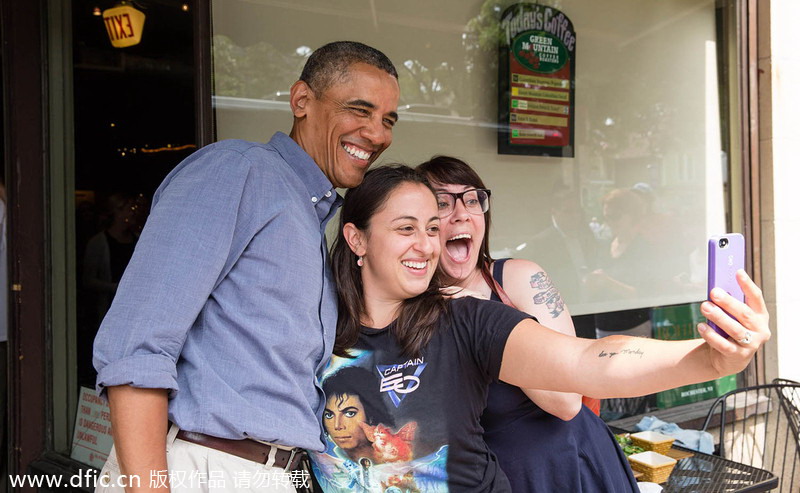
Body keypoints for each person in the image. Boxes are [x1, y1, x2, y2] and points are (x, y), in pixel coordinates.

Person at [309, 164, 769, 492]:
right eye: (406, 228)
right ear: (356, 239)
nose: (426, 244)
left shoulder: (463, 319)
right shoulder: (314, 333)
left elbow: (588, 361)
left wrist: (708, 358)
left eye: (432, 228)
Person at [92, 41, 400, 492]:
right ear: (302, 101)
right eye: (360, 110)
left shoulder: (310, 216)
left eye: (388, 120)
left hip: (271, 473)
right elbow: (137, 351)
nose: (377, 134)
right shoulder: (237, 172)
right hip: (199, 467)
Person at [416, 156, 634, 491]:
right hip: (486, 479)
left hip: (566, 465)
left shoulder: (519, 278)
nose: (462, 213)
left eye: (472, 199)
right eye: (442, 203)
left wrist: (479, 318)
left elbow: (566, 402)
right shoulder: (411, 311)